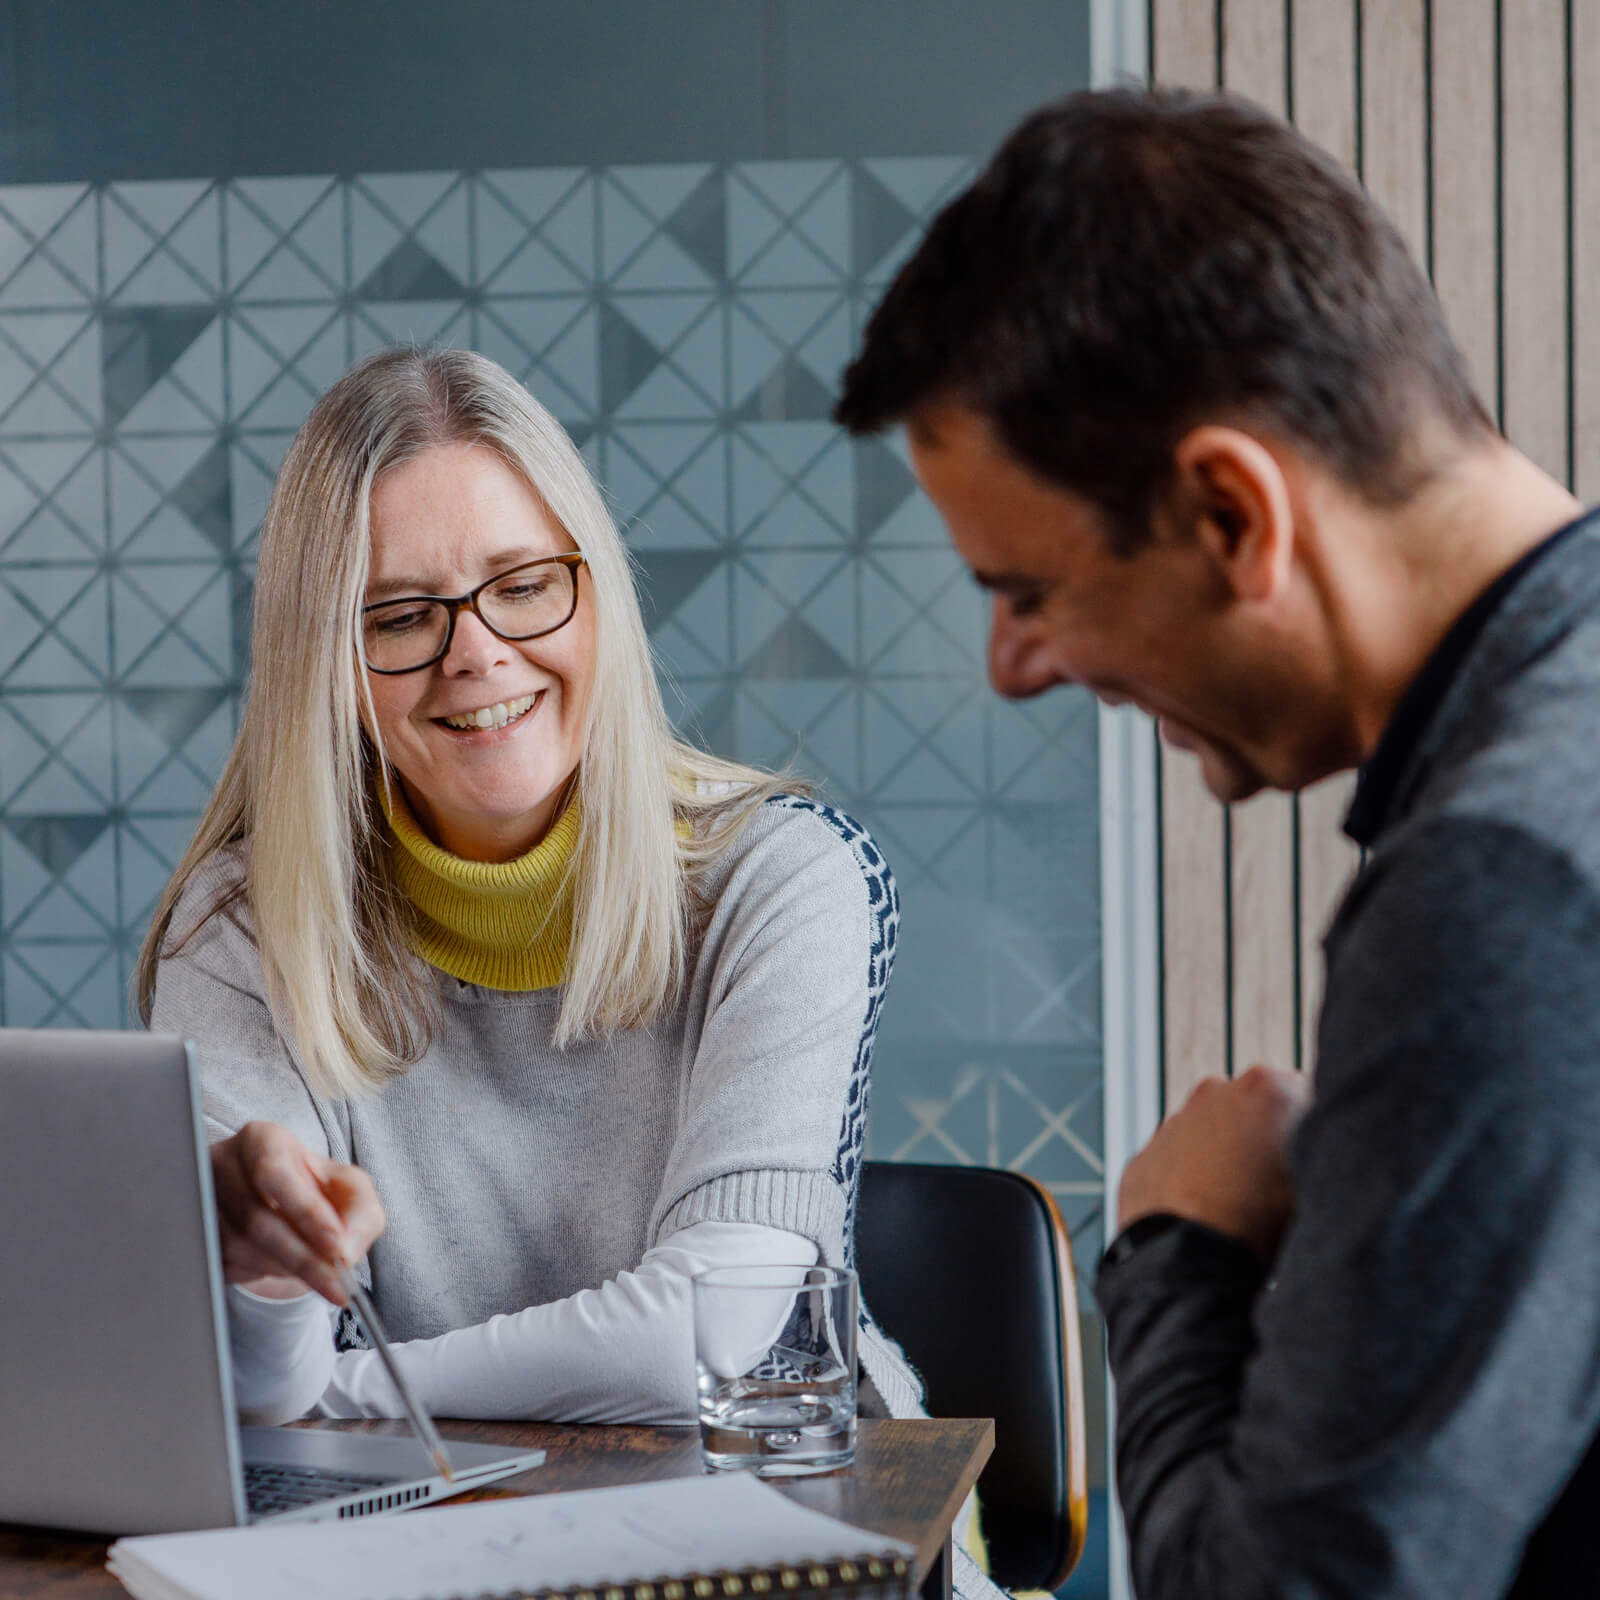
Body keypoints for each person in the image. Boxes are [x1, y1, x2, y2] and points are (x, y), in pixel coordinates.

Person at [836, 86, 1600, 1598]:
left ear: (1234, 513)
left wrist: (1180, 1242)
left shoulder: (1498, 883)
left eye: (1028, 588)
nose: (1011, 665)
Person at [136, 345, 920, 1434]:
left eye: (523, 586)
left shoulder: (787, 877)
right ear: (326, 663)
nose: (478, 653)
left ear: (594, 593)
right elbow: (253, 1397)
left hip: (772, 1520)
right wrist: (258, 1285)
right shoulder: (239, 932)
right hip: (411, 1546)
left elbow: (709, 1333)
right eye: (401, 616)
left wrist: (346, 1393)